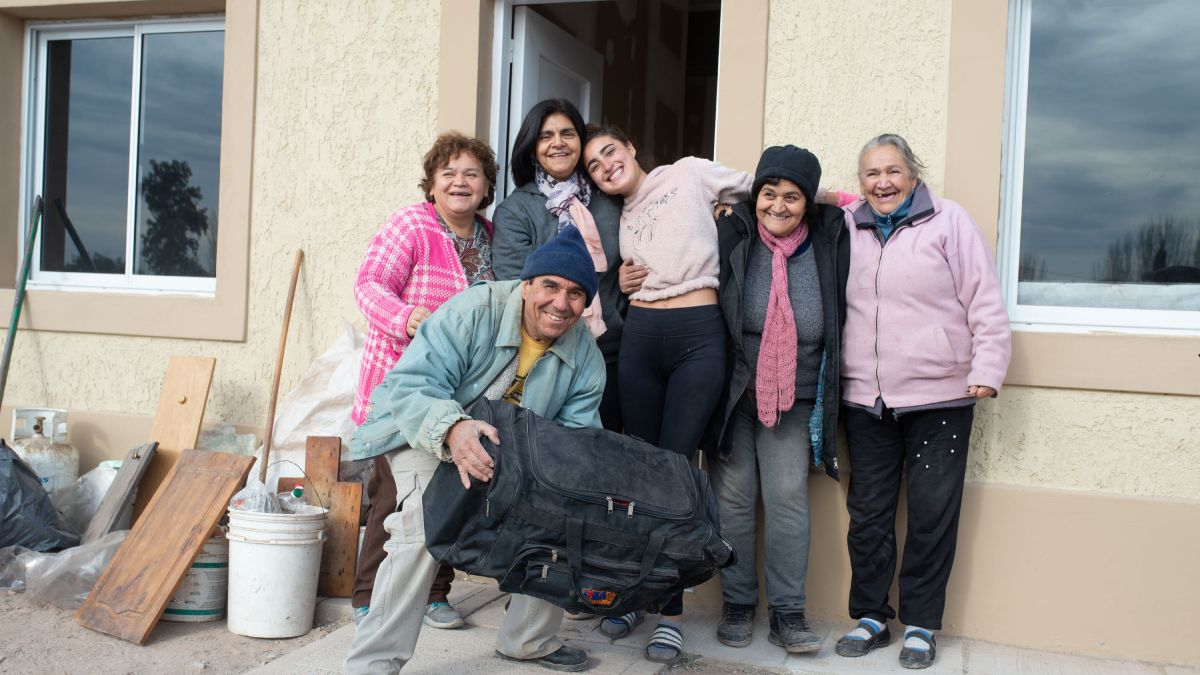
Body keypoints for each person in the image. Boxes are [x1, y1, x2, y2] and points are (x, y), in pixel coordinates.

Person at [343, 226, 606, 674]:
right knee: (424, 524)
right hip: (420, 428)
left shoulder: (587, 358)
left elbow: (575, 440)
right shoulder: (473, 310)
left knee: (563, 512)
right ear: (526, 285)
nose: (561, 303)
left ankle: (528, 640)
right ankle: (373, 662)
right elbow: (411, 385)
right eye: (550, 286)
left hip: (515, 450)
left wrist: (562, 488)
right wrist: (453, 428)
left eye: (576, 294)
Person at [833, 134, 1011, 669]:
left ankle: (920, 624)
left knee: (932, 513)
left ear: (913, 174)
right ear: (859, 182)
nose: (882, 182)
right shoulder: (848, 226)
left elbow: (984, 297)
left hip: (942, 396)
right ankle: (869, 615)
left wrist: (988, 367)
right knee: (868, 514)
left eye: (892, 171)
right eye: (871, 174)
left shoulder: (950, 221)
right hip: (866, 397)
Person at [581, 124, 751, 664]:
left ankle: (671, 615)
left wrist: (834, 196)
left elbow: (761, 186)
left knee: (676, 473)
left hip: (698, 337)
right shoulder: (621, 216)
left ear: (631, 147)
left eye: (610, 151)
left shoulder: (689, 174)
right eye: (594, 166)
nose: (606, 165)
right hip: (641, 343)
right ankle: (637, 593)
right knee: (638, 472)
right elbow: (610, 280)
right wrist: (624, 285)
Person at [350, 132, 499, 631]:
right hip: (402, 389)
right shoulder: (411, 224)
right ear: (432, 183)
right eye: (449, 173)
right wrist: (408, 316)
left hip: (458, 394)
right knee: (394, 496)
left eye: (471, 173)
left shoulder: (490, 236)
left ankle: (435, 595)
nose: (460, 182)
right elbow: (368, 285)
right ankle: (369, 598)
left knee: (449, 494)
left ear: (486, 185)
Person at [704, 145, 848, 655]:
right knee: (735, 500)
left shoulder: (831, 239)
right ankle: (738, 603)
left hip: (798, 396)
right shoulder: (735, 234)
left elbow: (862, 202)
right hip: (736, 394)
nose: (779, 206)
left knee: (787, 500)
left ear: (808, 203)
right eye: (770, 193)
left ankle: (788, 613)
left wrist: (831, 194)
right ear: (755, 194)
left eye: (792, 197)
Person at [492, 99, 626, 433]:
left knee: (607, 454)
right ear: (531, 146)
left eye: (567, 133)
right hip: (548, 357)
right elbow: (515, 285)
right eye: (546, 135)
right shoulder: (516, 210)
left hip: (613, 351)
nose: (558, 143)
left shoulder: (608, 198)